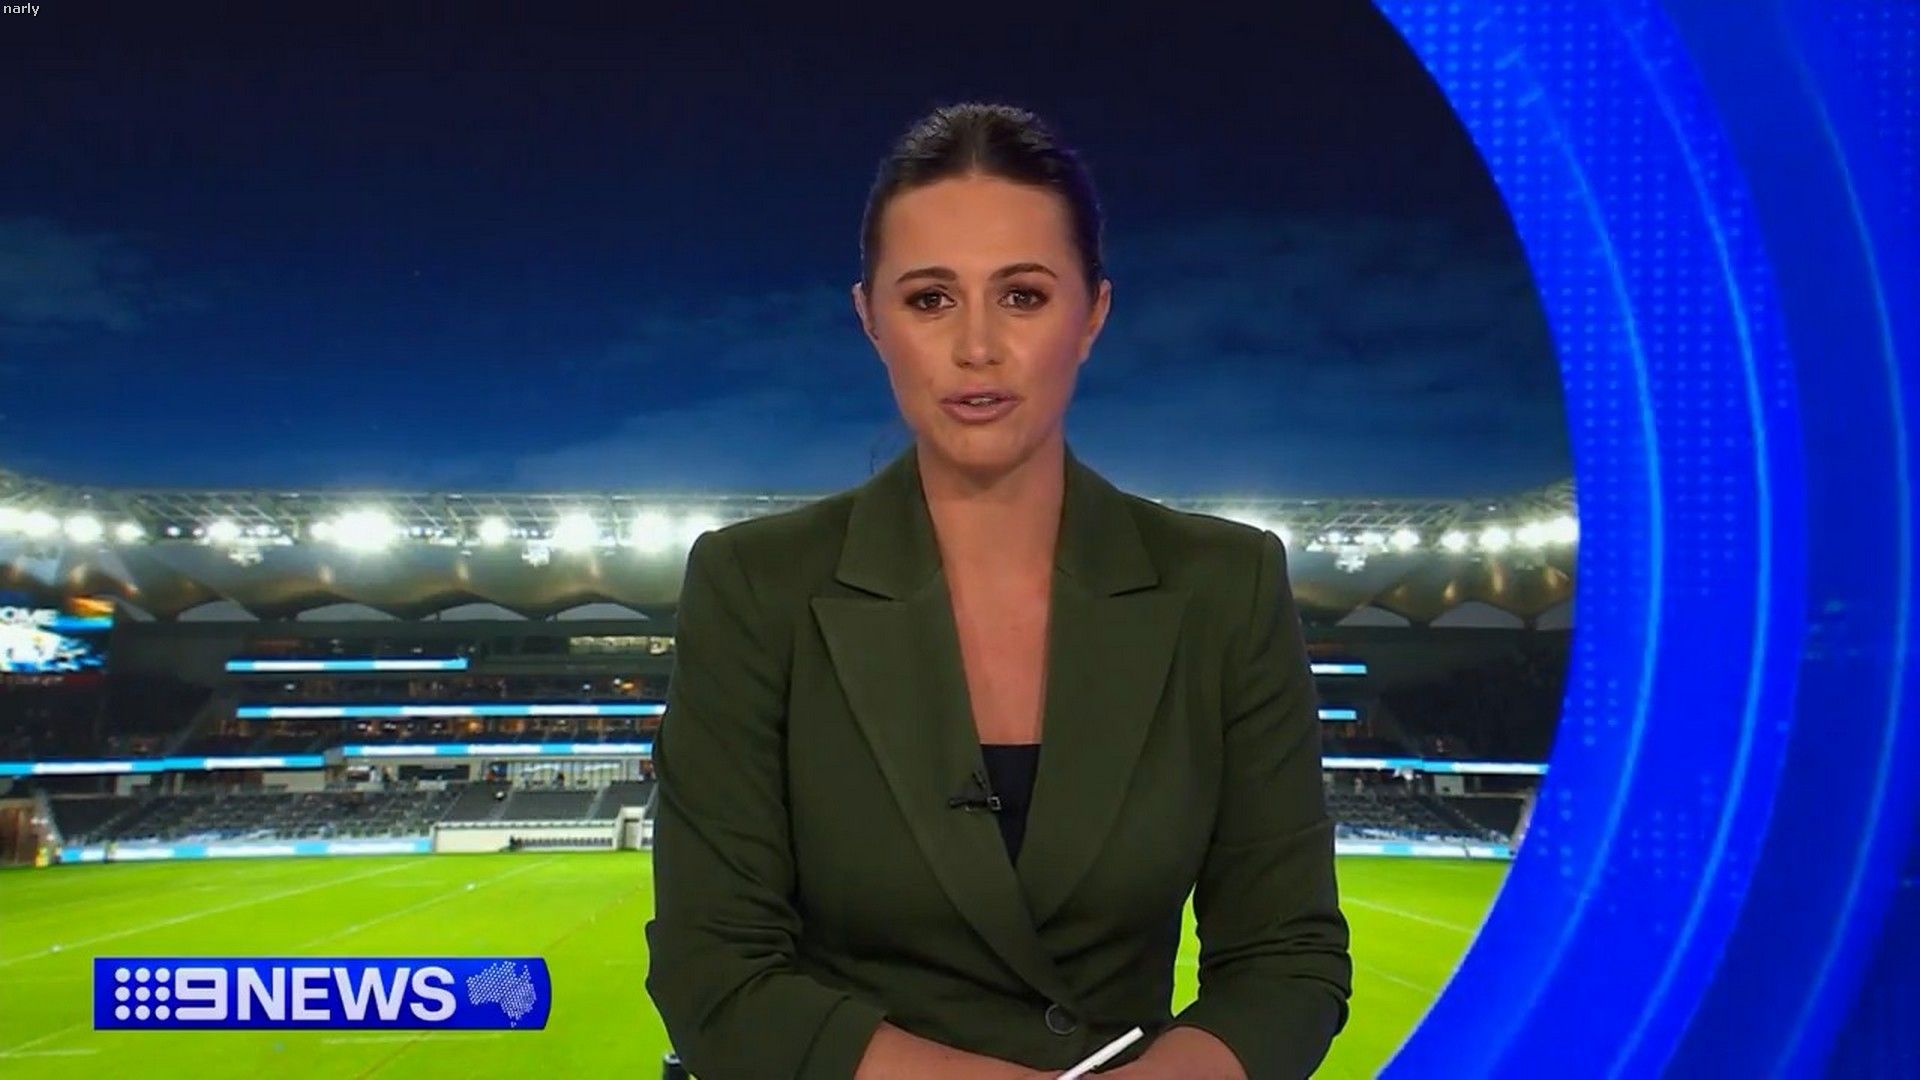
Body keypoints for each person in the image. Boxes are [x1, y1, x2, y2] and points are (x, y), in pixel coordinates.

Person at [645, 102, 1351, 1079]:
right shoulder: (754, 586)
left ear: (1092, 314)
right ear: (871, 319)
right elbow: (714, 972)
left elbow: (1286, 959)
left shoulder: (1227, 586)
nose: (977, 346)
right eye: (931, 298)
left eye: (1022, 295)